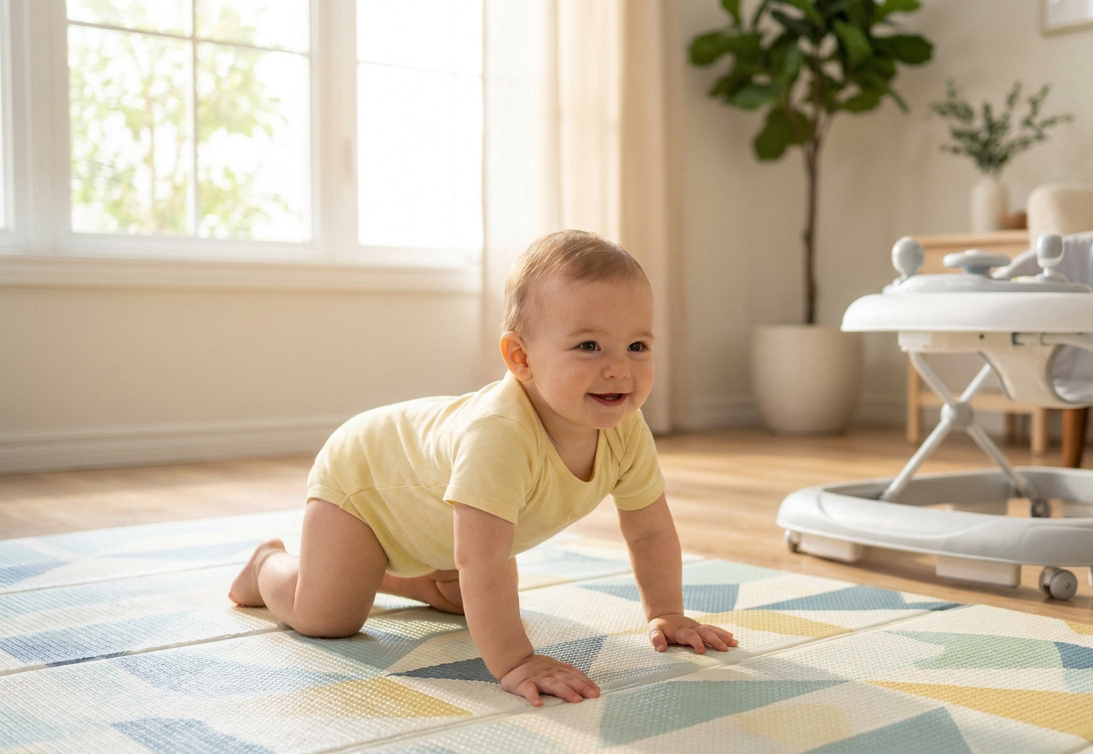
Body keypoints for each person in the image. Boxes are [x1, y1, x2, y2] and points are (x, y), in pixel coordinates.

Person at [229, 230, 736, 707]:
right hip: (365, 485)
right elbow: (483, 561)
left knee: (461, 601)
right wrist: (517, 662)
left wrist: (667, 613)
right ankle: (266, 567)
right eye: (588, 346)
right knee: (328, 617)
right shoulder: (501, 435)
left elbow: (649, 532)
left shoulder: (626, 429)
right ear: (521, 358)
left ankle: (379, 574)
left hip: (437, 519)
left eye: (637, 346)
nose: (619, 368)